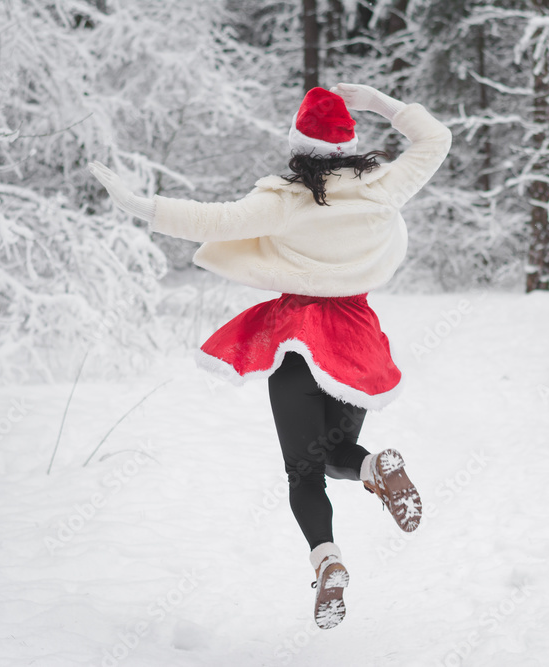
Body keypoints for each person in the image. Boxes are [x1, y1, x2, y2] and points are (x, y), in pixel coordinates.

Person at [89, 83, 452, 629]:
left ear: (298, 146)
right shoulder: (383, 189)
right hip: (353, 343)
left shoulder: (283, 201)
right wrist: (380, 103)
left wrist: (145, 207)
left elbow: (212, 221)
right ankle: (378, 466)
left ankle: (327, 561)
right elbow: (436, 139)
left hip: (296, 344)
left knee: (305, 472)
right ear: (350, 144)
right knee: (339, 452)